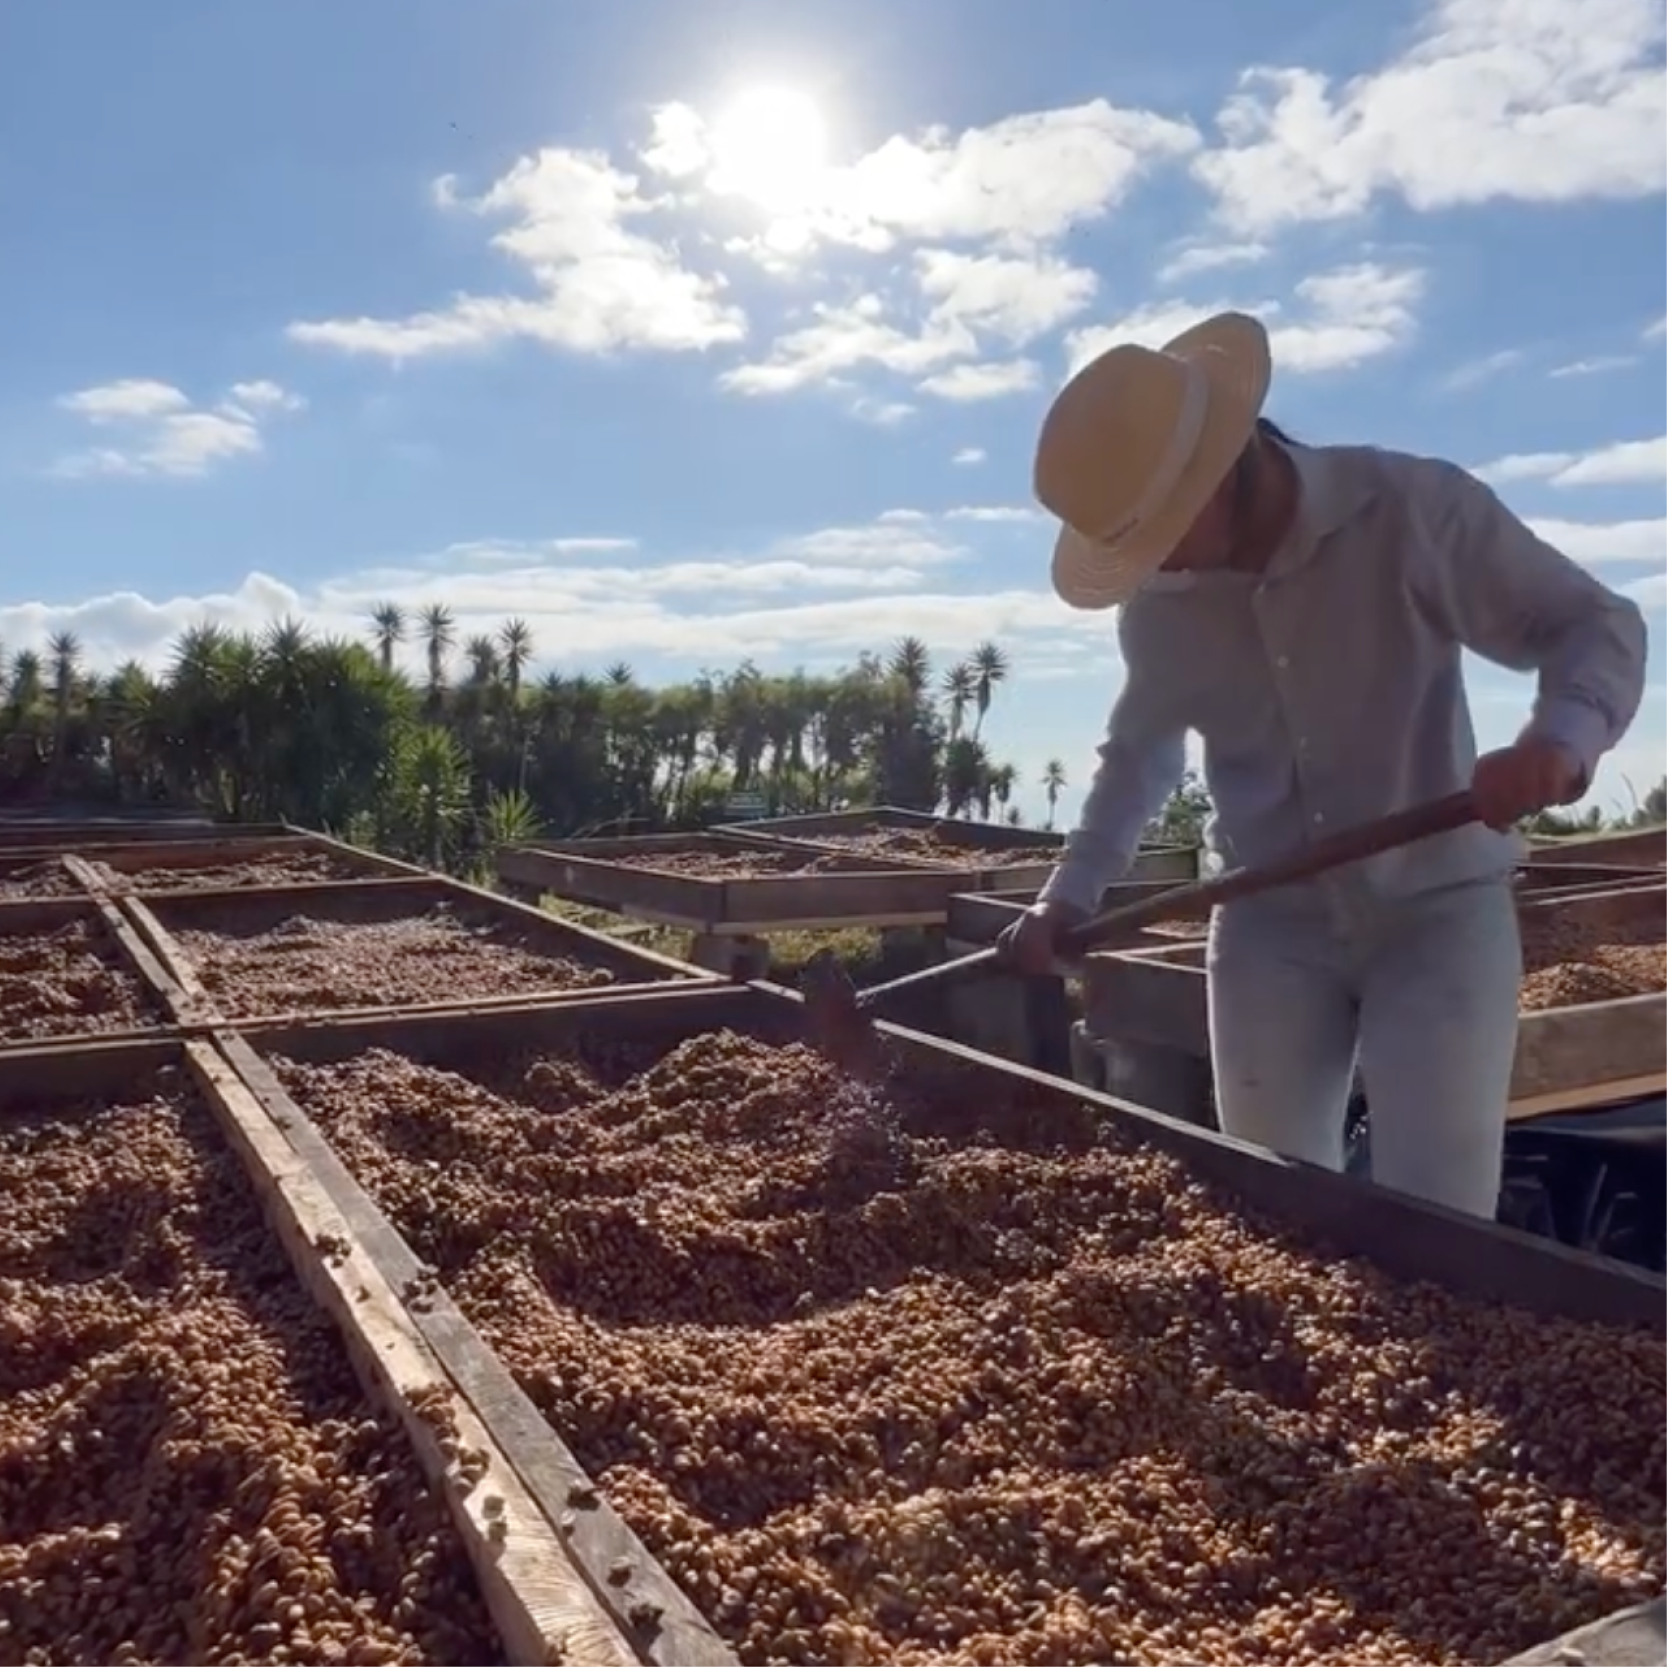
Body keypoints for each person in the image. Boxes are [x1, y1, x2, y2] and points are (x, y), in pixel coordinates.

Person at [1000, 311, 1648, 1220]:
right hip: (1267, 919)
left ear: (1218, 471)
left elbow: (1596, 622)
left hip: (1435, 911)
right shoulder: (1160, 605)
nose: (1153, 564)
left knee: (1439, 1223)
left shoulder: (1407, 511)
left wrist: (1560, 742)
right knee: (1269, 1210)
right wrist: (1064, 899)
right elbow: (1136, 757)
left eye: (1159, 535)